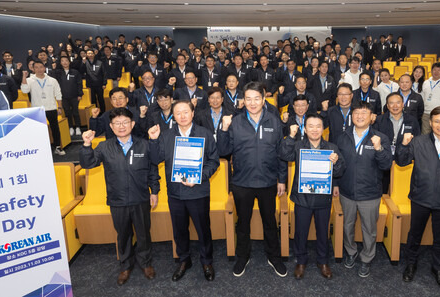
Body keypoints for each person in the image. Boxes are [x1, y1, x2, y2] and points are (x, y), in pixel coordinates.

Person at [80, 107, 160, 286]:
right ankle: (125, 266)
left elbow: (152, 170)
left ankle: (146, 263)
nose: (121, 126)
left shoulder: (144, 144)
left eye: (125, 122)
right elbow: (88, 163)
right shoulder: (104, 146)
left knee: (143, 234)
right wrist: (86, 145)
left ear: (132, 124)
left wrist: (154, 191)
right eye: (117, 123)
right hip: (117, 200)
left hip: (141, 198)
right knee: (123, 235)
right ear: (111, 126)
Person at [217, 81, 288, 278]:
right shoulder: (235, 122)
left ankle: (274, 257)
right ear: (243, 101)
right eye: (248, 99)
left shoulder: (274, 121)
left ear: (264, 100)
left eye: (257, 98)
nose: (253, 102)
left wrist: (281, 179)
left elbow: (281, 154)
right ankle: (242, 256)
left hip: (267, 182)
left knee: (270, 222)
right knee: (243, 223)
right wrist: (223, 128)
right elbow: (223, 151)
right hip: (242, 183)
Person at [395, 106, 440, 290]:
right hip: (421, 197)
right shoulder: (418, 142)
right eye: (436, 121)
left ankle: (438, 269)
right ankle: (411, 264)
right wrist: (403, 144)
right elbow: (402, 162)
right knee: (414, 234)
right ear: (430, 123)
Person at [148, 100, 220, 282]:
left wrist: (199, 177)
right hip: (175, 192)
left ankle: (206, 261)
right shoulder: (165, 135)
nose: (182, 116)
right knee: (179, 230)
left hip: (198, 191)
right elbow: (156, 159)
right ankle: (184, 260)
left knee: (203, 229)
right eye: (177, 113)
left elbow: (214, 162)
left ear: (193, 113)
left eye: (185, 112)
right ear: (173, 115)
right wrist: (154, 140)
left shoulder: (204, 134)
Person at [279, 113, 346, 280]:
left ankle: (323, 261)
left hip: (323, 198)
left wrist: (336, 162)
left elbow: (340, 171)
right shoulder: (297, 145)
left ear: (323, 129)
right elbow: (284, 155)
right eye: (311, 126)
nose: (315, 129)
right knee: (300, 232)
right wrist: (290, 136)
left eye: (318, 126)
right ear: (305, 128)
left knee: (323, 232)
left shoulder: (332, 147)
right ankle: (301, 261)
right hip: (302, 198)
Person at [335, 101, 392, 278]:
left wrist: (378, 148)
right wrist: (336, 184)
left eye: (364, 113)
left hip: (370, 193)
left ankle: (367, 258)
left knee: (369, 229)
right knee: (347, 226)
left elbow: (386, 164)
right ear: (352, 116)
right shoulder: (342, 137)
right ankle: (351, 252)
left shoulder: (380, 138)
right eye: (357, 113)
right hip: (347, 191)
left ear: (372, 117)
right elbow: (338, 164)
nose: (360, 116)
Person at [373, 92, 421, 193]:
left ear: (403, 104)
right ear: (387, 105)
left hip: (403, 161)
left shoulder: (412, 121)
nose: (395, 106)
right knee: (381, 190)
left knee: (400, 191)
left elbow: (417, 142)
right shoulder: (379, 120)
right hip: (383, 159)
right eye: (391, 103)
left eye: (398, 103)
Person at [21, 61, 65, 155]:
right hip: (37, 109)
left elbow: (58, 94)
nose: (39, 69)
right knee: (39, 130)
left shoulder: (52, 80)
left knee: (55, 128)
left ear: (44, 68)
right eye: (36, 67)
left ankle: (57, 147)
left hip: (51, 108)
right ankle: (42, 148)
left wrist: (60, 107)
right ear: (33, 69)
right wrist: (24, 77)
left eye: (41, 67)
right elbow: (24, 90)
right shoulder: (29, 80)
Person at [54, 56, 83, 136]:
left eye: (66, 60)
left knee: (75, 112)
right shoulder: (58, 73)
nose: (65, 62)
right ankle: (70, 127)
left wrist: (80, 94)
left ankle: (78, 127)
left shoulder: (75, 72)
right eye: (62, 61)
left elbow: (79, 84)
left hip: (74, 96)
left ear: (69, 62)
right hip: (63, 97)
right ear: (60, 63)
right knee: (67, 112)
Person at [80, 49, 107, 113]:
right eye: (88, 53)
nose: (90, 55)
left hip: (99, 85)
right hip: (90, 85)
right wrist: (83, 63)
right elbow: (81, 71)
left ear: (94, 54)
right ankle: (96, 113)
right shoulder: (85, 62)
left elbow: (104, 73)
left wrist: (104, 83)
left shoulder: (99, 62)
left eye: (91, 53)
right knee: (93, 100)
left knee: (101, 99)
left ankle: (103, 112)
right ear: (86, 55)